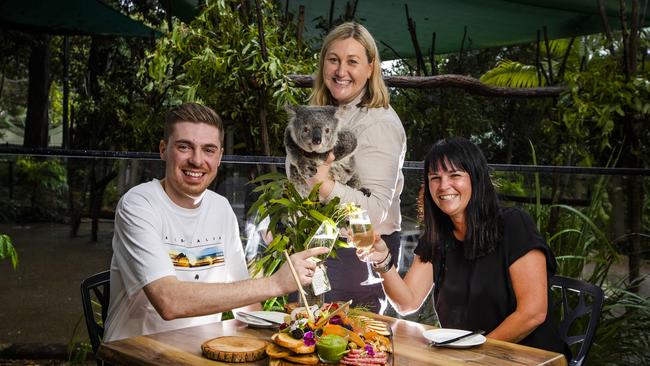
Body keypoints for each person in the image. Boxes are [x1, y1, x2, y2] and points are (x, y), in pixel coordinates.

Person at [104, 103, 327, 342]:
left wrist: (289, 335)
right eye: (184, 147)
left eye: (208, 150)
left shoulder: (220, 208)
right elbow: (169, 301)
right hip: (136, 354)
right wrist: (276, 284)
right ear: (163, 150)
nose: (197, 160)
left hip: (200, 351)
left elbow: (247, 301)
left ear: (219, 156)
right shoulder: (138, 204)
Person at [359, 137, 570, 357]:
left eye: (455, 175)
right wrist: (382, 260)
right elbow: (407, 303)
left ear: (476, 178)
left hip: (526, 357)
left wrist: (476, 353)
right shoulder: (438, 236)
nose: (443, 186)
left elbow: (532, 313)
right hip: (464, 357)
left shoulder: (514, 224)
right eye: (435, 177)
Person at [302, 22, 407, 314]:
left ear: (371, 68)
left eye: (352, 62)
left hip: (359, 252)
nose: (340, 71)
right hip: (322, 244)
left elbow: (373, 212)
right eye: (333, 60)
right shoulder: (327, 112)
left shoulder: (379, 123)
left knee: (353, 345)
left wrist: (324, 185)